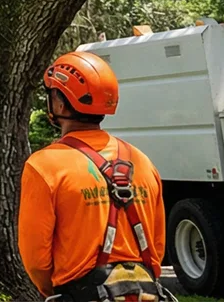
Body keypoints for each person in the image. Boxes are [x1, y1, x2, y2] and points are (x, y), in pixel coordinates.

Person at [18, 50, 167, 301]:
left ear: (60, 102)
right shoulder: (140, 161)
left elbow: (36, 258)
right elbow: (157, 248)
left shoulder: (44, 166)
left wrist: (55, 292)